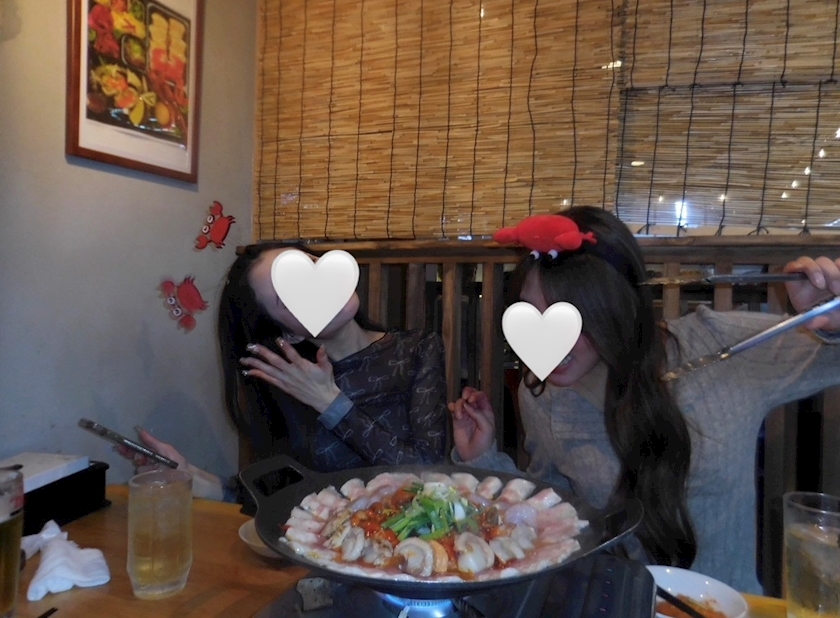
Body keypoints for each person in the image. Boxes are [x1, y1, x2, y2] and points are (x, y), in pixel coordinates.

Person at [448, 206, 840, 595]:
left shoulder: (719, 346)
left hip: (726, 606)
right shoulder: (543, 392)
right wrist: (481, 457)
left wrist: (832, 317)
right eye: (531, 313)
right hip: (618, 602)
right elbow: (554, 513)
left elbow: (830, 355)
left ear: (614, 308)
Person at [125, 243, 448, 502]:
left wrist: (331, 404)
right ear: (289, 334)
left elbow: (429, 475)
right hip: (328, 548)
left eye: (308, 267)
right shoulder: (288, 381)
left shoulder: (418, 349)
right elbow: (282, 496)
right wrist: (194, 478)